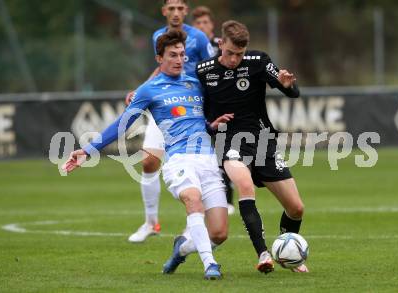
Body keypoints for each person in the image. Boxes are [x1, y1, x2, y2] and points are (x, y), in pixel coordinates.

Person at [63, 30, 230, 280]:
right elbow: (123, 124)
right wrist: (88, 150)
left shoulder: (195, 82)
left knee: (219, 233)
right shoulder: (148, 90)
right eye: (173, 55)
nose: (179, 59)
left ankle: (181, 249)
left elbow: (197, 118)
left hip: (206, 159)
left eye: (182, 55)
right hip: (179, 160)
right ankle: (210, 264)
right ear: (158, 58)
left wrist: (210, 125)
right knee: (193, 200)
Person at [197, 20, 308, 273]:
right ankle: (263, 254)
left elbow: (291, 91)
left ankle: (286, 251)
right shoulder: (203, 71)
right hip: (228, 141)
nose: (235, 59)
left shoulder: (258, 61)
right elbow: (198, 114)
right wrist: (210, 125)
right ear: (221, 43)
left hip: (262, 142)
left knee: (296, 208)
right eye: (230, 53)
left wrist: (288, 85)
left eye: (240, 54)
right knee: (245, 186)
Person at [127, 0, 215, 243]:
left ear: (185, 11)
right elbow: (160, 69)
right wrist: (140, 89)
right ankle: (151, 223)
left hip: (191, 108)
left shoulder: (198, 37)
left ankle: (193, 225)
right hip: (166, 105)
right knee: (148, 162)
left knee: (198, 171)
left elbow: (212, 69)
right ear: (164, 11)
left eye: (180, 8)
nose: (175, 13)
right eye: (171, 8)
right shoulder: (158, 35)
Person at [191, 5, 235, 214]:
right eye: (198, 23)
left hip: (219, 105)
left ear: (212, 25)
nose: (202, 26)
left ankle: (228, 198)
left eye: (205, 22)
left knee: (224, 150)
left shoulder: (222, 47)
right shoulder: (189, 48)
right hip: (200, 105)